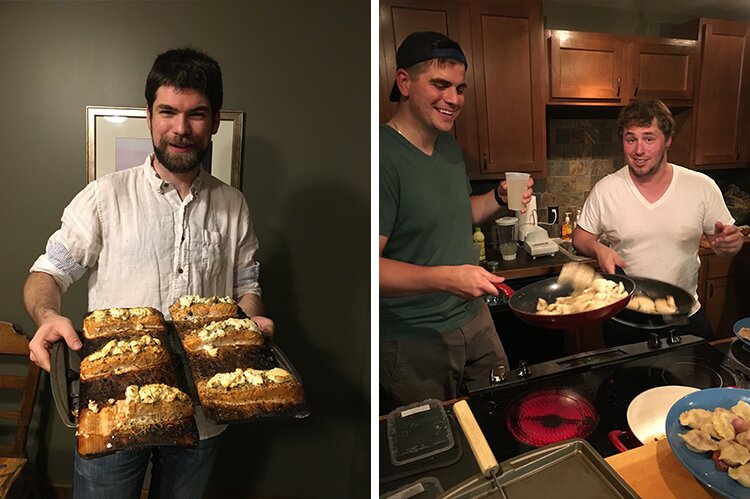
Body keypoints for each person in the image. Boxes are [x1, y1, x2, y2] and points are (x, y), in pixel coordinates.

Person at [23, 47, 273, 498]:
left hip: (204, 410)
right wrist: (46, 317)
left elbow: (246, 287)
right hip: (114, 406)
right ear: (149, 116)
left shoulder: (234, 205)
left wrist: (250, 318)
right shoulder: (103, 197)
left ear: (215, 120)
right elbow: (47, 275)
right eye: (168, 112)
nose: (181, 129)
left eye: (196, 114)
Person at [379, 31, 533, 410]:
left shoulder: (446, 142)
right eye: (440, 85)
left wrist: (498, 199)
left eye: (460, 88)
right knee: (439, 448)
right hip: (416, 339)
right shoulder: (381, 157)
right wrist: (449, 277)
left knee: (498, 414)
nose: (454, 99)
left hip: (475, 318)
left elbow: (457, 214)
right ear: (404, 82)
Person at [572, 97, 743, 346]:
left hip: (685, 319)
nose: (639, 150)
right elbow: (581, 237)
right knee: (626, 386)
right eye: (631, 139)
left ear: (668, 140)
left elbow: (727, 242)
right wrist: (598, 248)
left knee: (695, 384)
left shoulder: (701, 186)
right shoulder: (607, 189)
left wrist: (730, 244)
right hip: (625, 321)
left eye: (649, 138)